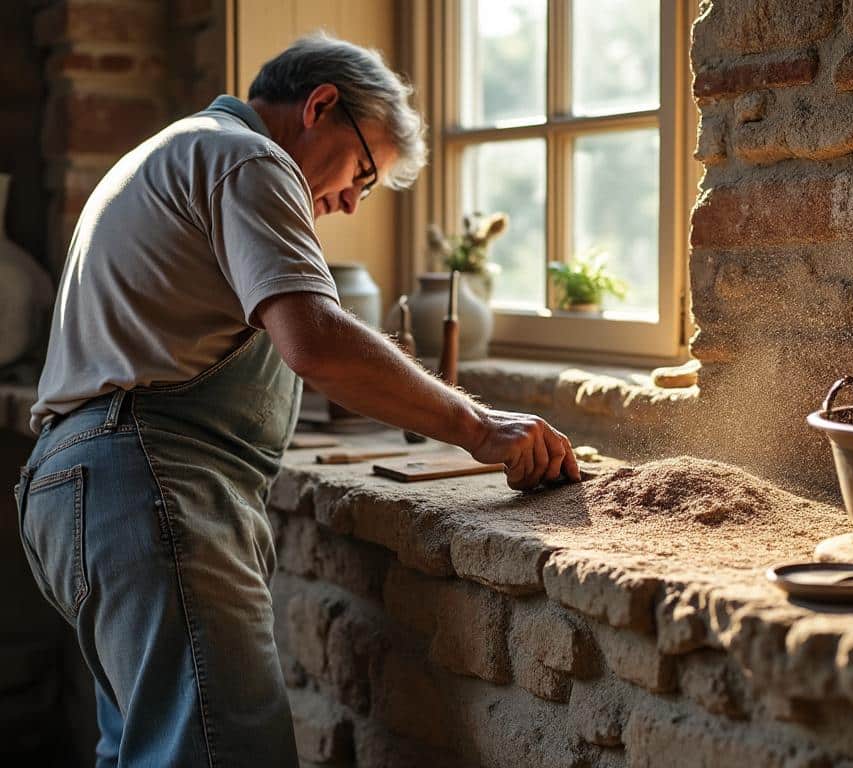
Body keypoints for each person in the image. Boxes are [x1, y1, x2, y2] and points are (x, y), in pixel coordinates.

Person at [14, 33, 578, 767]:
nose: (348, 201)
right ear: (320, 106)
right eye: (364, 174)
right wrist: (479, 426)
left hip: (82, 488)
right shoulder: (247, 158)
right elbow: (315, 340)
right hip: (146, 486)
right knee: (225, 753)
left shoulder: (176, 150)